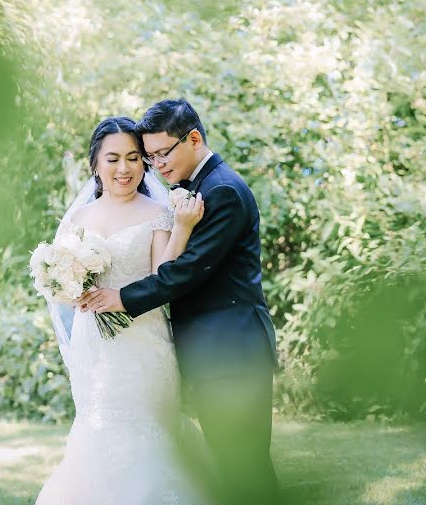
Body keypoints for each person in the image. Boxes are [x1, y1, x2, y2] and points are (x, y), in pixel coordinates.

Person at [81, 98, 280, 505]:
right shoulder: (196, 187)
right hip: (216, 355)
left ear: (193, 138)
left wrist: (122, 297)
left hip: (231, 353)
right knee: (233, 466)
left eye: (160, 154)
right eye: (150, 157)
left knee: (246, 468)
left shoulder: (221, 190)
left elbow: (185, 271)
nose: (157, 165)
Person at [36, 115, 209, 505]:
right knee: (95, 427)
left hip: (143, 344)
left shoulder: (157, 212)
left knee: (144, 427)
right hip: (93, 345)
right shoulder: (79, 218)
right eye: (113, 158)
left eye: (134, 158)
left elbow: (163, 280)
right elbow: (63, 281)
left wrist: (181, 230)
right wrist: (71, 291)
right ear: (95, 164)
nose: (124, 168)